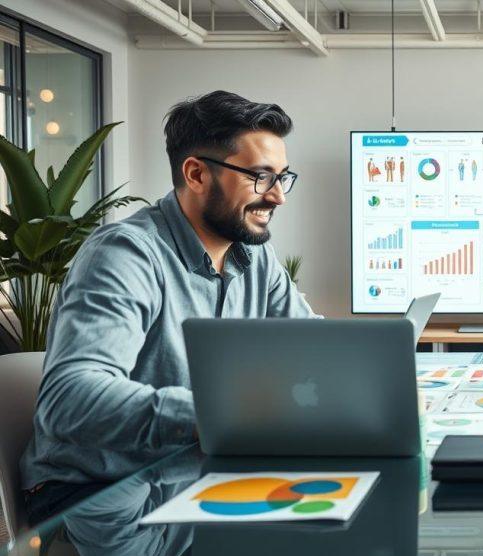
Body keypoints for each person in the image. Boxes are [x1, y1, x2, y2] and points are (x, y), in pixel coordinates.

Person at [20, 90, 319, 525]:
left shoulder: (254, 257)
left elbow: (315, 348)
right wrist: (221, 416)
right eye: (260, 177)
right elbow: (69, 399)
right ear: (196, 174)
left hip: (191, 472)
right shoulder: (124, 254)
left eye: (282, 177)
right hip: (95, 494)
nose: (278, 197)